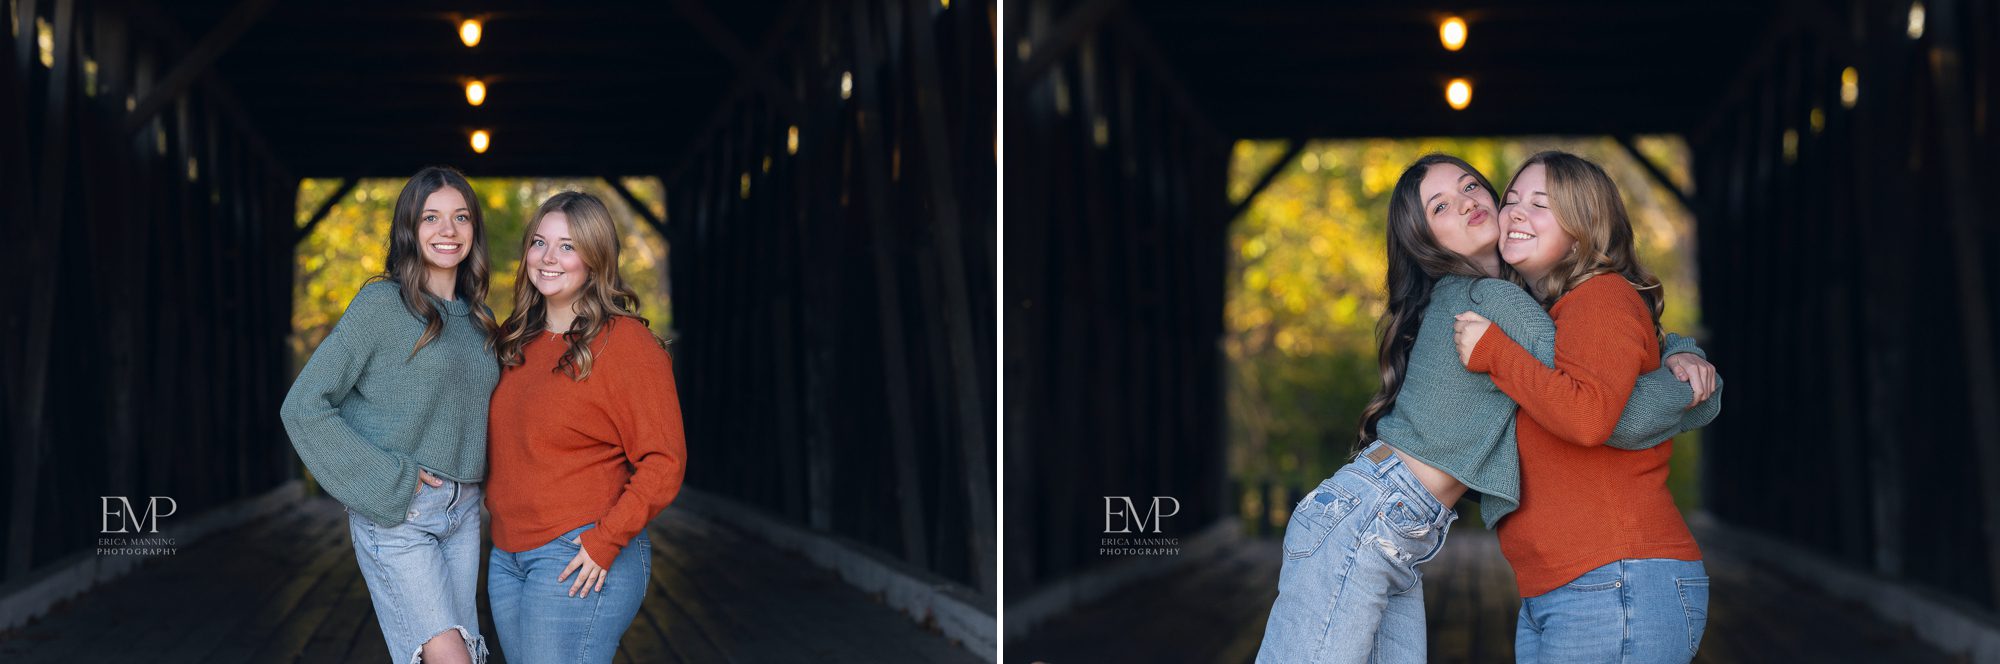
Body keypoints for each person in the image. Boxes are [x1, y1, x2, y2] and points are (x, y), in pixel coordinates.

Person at [1256, 154, 1721, 664]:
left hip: (1386, 523)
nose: (1465, 203)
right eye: (1440, 207)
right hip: (1372, 520)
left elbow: (1590, 386)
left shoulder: (1511, 303)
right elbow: (1605, 409)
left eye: (1470, 186)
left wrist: (1679, 351)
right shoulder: (1489, 301)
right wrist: (1692, 389)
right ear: (1423, 240)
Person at [1453, 151, 1714, 662]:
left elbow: (1587, 416)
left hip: (1617, 579)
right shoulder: (1550, 316)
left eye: (1541, 204)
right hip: (1570, 586)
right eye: (1512, 199)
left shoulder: (1600, 297)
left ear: (1582, 231)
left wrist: (1494, 354)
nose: (1516, 211)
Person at [281, 165, 499, 664]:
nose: (448, 230)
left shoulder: (481, 320)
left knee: (464, 656)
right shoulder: (381, 304)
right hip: (401, 512)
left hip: (464, 513)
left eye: (461, 217)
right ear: (409, 228)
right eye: (431, 217)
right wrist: (388, 478)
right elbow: (304, 405)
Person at [485, 191, 687, 664]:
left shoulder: (626, 343)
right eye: (539, 243)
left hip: (578, 552)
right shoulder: (514, 340)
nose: (548, 258)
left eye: (568, 246)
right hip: (508, 557)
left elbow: (664, 460)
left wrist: (605, 541)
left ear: (596, 259)